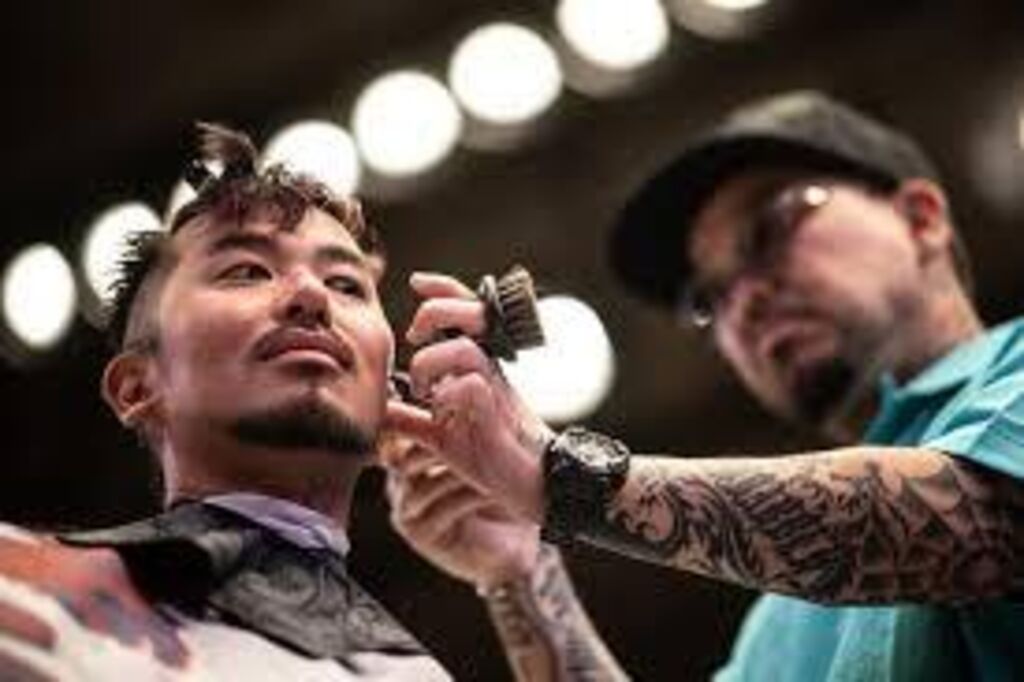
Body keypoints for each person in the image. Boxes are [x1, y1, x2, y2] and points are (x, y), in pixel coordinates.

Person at [383, 91, 1024, 681]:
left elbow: (973, 523)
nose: (744, 301)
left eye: (770, 230)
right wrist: (522, 576)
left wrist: (559, 477)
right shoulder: (782, 623)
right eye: (709, 300)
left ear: (921, 219)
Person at [0, 123, 624, 681]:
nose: (311, 296)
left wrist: (520, 571)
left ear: (388, 390)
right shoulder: (18, 583)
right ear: (138, 386)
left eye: (346, 284)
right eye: (245, 271)